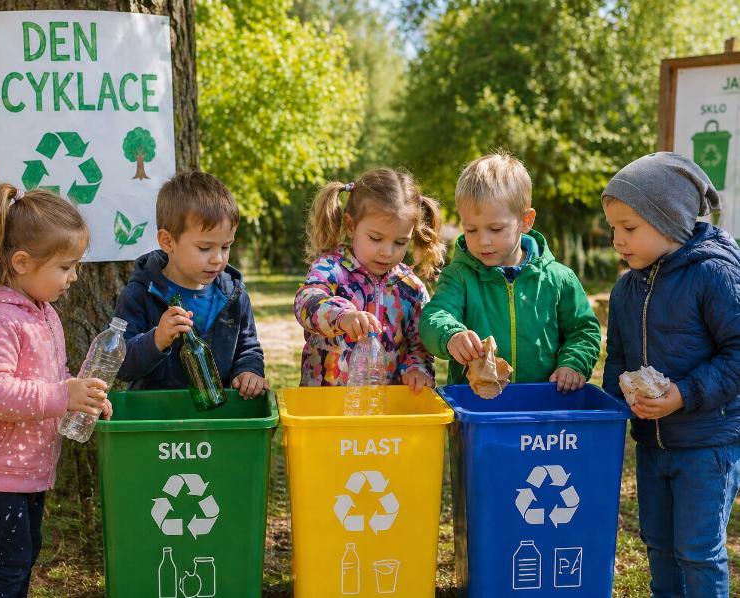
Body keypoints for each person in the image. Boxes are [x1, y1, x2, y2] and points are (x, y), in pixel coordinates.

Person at [0, 184, 110, 597]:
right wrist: (63, 396)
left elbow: (53, 376)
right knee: (10, 565)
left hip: (20, 467)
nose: (74, 277)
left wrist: (81, 397)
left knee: (24, 556)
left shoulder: (42, 313)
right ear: (21, 263)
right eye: (66, 266)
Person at [602, 152, 740, 597]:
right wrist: (613, 408)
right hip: (652, 445)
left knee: (698, 551)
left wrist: (683, 393)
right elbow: (618, 358)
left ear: (669, 221)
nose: (617, 240)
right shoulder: (625, 288)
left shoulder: (713, 274)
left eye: (629, 228)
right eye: (613, 228)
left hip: (706, 444)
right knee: (659, 545)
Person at [419, 150, 601, 389]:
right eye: (471, 229)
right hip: (477, 404)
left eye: (495, 229)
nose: (483, 240)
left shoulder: (559, 279)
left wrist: (573, 364)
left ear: (525, 221)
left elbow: (583, 331)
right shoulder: (459, 277)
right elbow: (434, 316)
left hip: (544, 403)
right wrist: (451, 335)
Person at [114, 171, 267, 397]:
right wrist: (156, 340)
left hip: (221, 413)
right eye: (205, 248)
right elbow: (121, 365)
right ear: (167, 241)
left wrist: (249, 371)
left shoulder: (233, 294)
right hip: (158, 414)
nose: (217, 258)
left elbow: (248, 347)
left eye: (226, 247)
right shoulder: (141, 294)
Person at [294, 167, 445, 392]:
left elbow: (419, 345)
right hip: (326, 402)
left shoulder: (411, 288)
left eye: (400, 242)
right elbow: (306, 302)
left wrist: (418, 369)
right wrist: (343, 316)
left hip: (385, 405)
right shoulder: (331, 269)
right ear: (351, 226)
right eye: (376, 238)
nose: (387, 252)